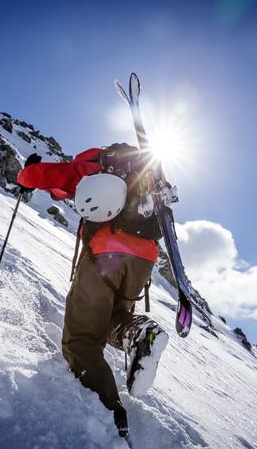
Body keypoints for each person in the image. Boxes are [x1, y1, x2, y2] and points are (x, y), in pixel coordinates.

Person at [16, 144, 169, 437]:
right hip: (144, 259)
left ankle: (109, 412)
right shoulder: (145, 175)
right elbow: (63, 193)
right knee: (112, 317)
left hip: (105, 253)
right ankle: (139, 333)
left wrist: (26, 171)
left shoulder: (94, 163)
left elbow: (44, 177)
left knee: (83, 336)